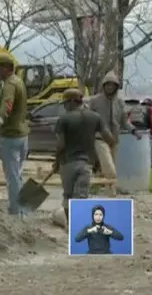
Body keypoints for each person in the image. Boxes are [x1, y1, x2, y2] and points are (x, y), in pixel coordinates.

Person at [53, 89, 115, 224]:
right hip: (86, 164)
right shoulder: (95, 117)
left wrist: (56, 161)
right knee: (81, 197)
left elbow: (61, 144)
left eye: (65, 103)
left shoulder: (64, 119)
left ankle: (70, 226)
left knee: (68, 197)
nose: (64, 106)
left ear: (71, 102)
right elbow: (110, 139)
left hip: (67, 163)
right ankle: (79, 226)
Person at [0, 55, 29, 217]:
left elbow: (7, 105)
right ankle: (23, 210)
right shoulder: (19, 82)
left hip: (10, 136)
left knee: (12, 178)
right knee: (18, 175)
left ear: (5, 67)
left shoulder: (9, 85)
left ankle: (16, 213)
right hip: (22, 135)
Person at [86, 72, 139, 190]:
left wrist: (133, 130)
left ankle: (105, 188)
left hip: (115, 139)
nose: (110, 87)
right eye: (107, 85)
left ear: (116, 87)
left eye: (112, 85)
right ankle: (112, 190)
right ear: (103, 86)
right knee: (109, 167)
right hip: (100, 138)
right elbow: (88, 118)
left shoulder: (120, 102)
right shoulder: (95, 100)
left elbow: (124, 121)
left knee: (112, 165)